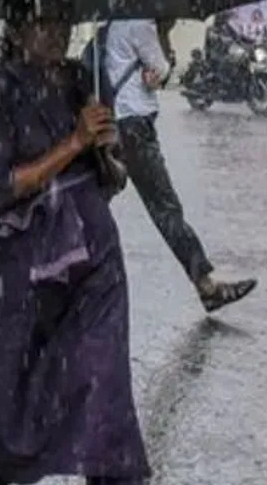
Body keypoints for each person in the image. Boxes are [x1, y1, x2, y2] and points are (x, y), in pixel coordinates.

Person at [0, 0, 148, 485]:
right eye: (44, 22)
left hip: (94, 262)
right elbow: (2, 188)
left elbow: (112, 180)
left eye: (63, 20)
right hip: (24, 265)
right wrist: (71, 143)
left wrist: (109, 150)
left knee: (104, 390)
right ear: (19, 30)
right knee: (10, 384)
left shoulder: (81, 81)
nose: (58, 33)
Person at [107, 18, 257, 312]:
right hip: (135, 126)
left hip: (118, 123)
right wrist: (163, 37)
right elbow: (162, 69)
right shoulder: (140, 23)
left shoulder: (114, 25)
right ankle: (206, 286)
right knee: (166, 209)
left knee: (94, 198)